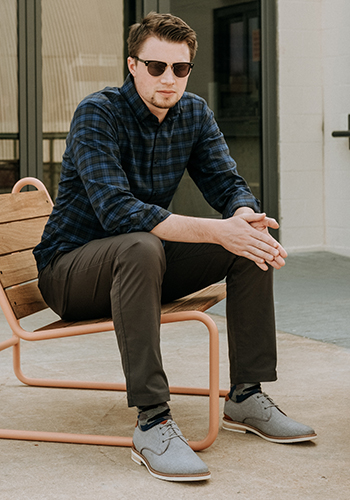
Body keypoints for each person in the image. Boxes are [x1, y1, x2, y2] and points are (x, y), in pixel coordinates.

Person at [34, 12, 317, 482]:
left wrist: (244, 217)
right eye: (156, 66)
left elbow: (229, 183)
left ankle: (246, 397)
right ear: (132, 65)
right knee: (140, 245)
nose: (169, 78)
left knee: (251, 241)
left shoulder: (194, 113)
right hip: (69, 272)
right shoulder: (97, 113)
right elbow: (118, 212)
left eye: (179, 68)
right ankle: (152, 422)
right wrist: (215, 229)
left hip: (142, 267)